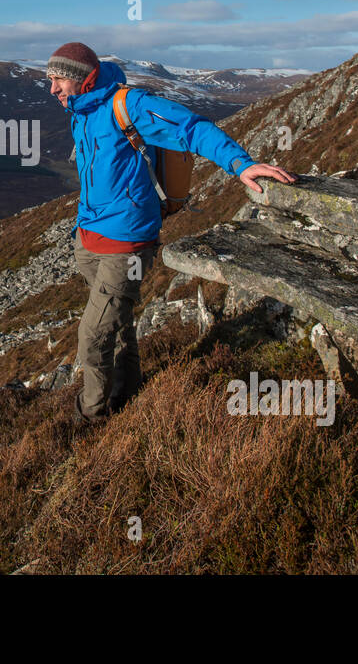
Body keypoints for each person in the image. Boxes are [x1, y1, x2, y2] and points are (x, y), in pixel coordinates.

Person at [46, 42, 296, 426]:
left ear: (85, 78)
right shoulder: (80, 110)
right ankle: (127, 395)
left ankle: (89, 420)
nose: (53, 90)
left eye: (59, 80)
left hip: (126, 246)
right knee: (120, 324)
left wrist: (240, 163)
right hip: (88, 241)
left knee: (92, 337)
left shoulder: (129, 105)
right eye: (50, 80)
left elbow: (190, 127)